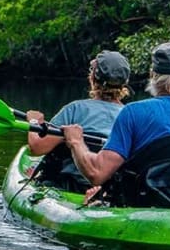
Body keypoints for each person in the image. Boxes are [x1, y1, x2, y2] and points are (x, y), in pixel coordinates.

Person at [62, 42, 170, 209]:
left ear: (153, 76)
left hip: (141, 208)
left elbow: (97, 173)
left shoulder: (132, 113)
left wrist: (76, 142)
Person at [25, 50, 132, 192]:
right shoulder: (131, 116)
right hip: (111, 190)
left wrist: (33, 122)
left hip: (71, 186)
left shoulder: (75, 109)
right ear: (124, 84)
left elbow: (37, 148)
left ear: (92, 78)